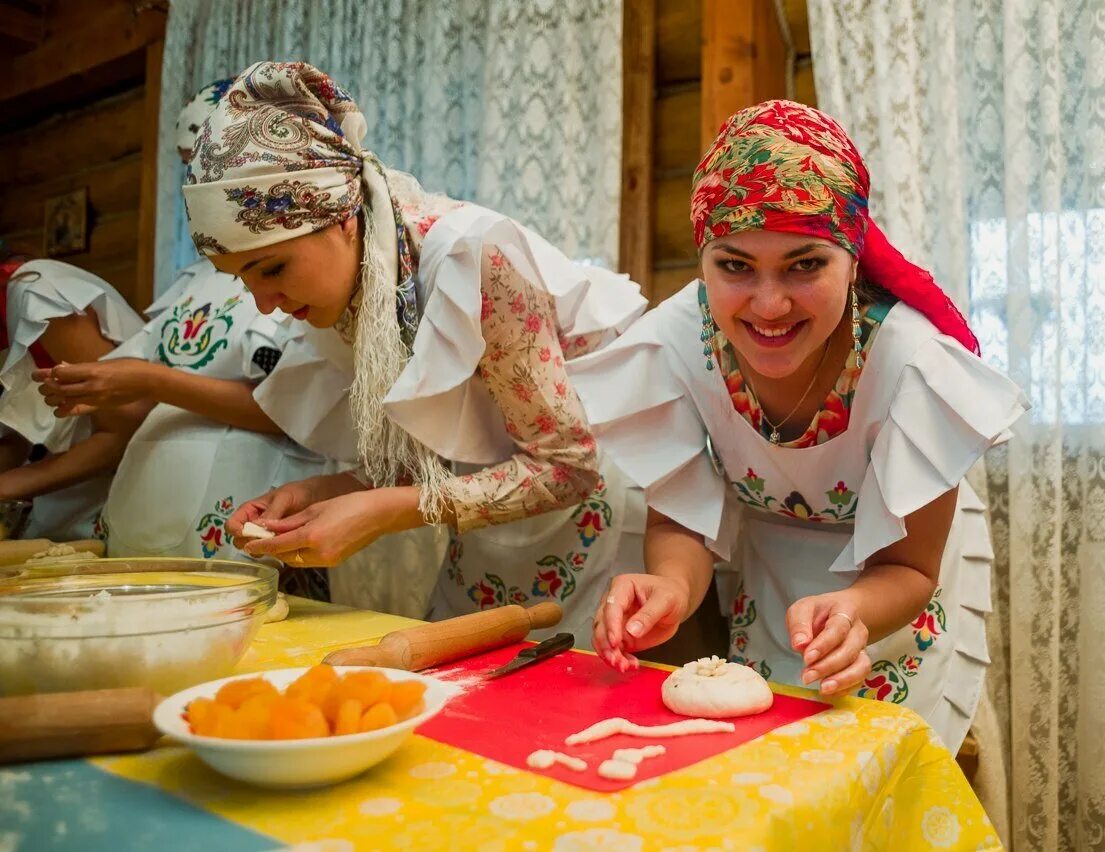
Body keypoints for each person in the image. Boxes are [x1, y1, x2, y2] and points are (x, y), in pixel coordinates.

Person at [572, 100, 1029, 753]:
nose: (768, 305)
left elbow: (910, 566)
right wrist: (672, 585)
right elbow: (682, 519)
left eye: (805, 264)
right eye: (734, 266)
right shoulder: (679, 341)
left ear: (852, 255)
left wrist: (856, 614)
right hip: (772, 584)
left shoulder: (912, 366)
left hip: (892, 600)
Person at [182, 62, 646, 641]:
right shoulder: (361, 287)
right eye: (242, 280)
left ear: (342, 217)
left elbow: (567, 467)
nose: (266, 305)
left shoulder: (472, 260)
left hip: (590, 522)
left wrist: (388, 512)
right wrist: (313, 495)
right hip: (487, 528)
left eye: (271, 268)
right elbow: (429, 453)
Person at [33, 80, 339, 576]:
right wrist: (102, 390)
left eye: (206, 164)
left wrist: (150, 380)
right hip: (150, 505)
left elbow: (296, 412)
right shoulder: (195, 278)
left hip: (249, 501)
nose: (199, 184)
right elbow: (147, 388)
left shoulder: (299, 270)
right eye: (188, 170)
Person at [0, 255, 146, 540]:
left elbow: (125, 430)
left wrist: (5, 486)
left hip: (128, 502)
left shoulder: (39, 294)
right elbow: (21, 435)